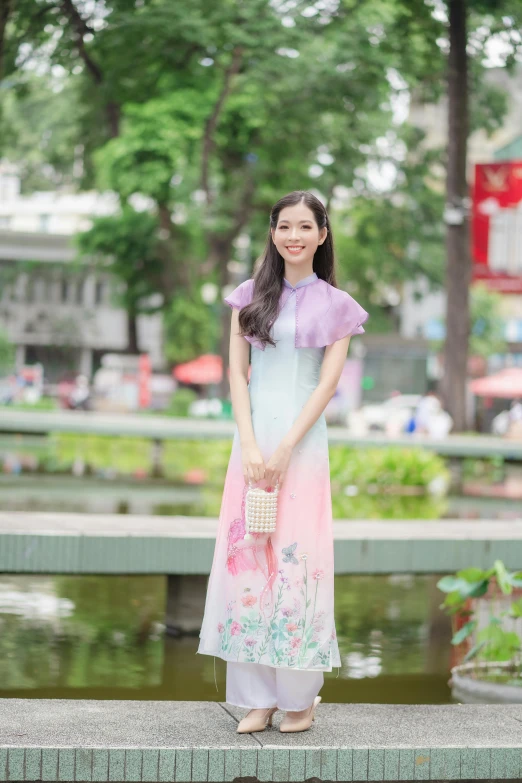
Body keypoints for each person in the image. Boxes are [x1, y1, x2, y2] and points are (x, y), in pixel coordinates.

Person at [196, 190, 369, 733]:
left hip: (303, 445)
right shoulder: (248, 297)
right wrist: (248, 444)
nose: (293, 236)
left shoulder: (336, 305)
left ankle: (299, 697)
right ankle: (256, 697)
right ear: (272, 233)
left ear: (322, 234)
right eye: (284, 226)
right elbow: (236, 376)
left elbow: (327, 385)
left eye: (305, 227)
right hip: (250, 444)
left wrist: (287, 446)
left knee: (297, 561)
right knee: (247, 559)